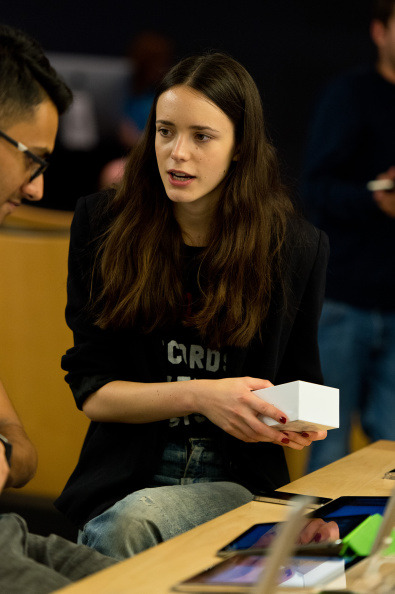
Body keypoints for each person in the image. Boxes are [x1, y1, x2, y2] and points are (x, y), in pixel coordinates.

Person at [56, 51, 330, 560]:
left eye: (201, 136)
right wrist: (204, 395)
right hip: (121, 479)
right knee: (127, 523)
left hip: (233, 483)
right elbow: (93, 392)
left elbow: (301, 388)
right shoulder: (103, 224)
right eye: (164, 131)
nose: (177, 153)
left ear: (241, 148)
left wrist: (297, 419)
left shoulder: (293, 248)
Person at [0, 23, 117, 593]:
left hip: (8, 530)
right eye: (33, 160)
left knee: (143, 580)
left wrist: (8, 447)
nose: (38, 189)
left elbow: (21, 456)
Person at [301, 0, 395, 472]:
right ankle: (311, 546)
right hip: (343, 302)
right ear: (380, 30)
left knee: (392, 451)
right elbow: (314, 187)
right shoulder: (350, 95)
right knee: (326, 442)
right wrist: (373, 197)